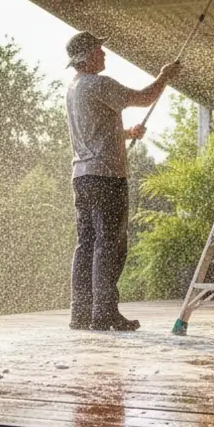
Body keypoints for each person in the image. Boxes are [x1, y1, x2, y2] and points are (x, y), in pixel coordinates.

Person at [64, 32, 180, 331]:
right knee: (110, 244)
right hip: (107, 176)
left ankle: (81, 313)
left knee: (87, 244)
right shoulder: (100, 83)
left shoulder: (74, 88)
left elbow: (96, 131)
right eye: (100, 51)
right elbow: (144, 97)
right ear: (86, 57)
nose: (105, 55)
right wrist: (165, 76)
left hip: (82, 176)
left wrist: (127, 134)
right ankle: (104, 312)